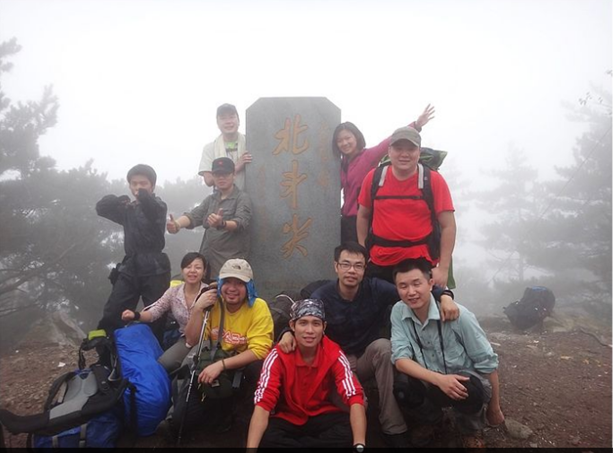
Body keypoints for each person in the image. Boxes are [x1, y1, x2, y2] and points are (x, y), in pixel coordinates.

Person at [278, 242, 458, 448]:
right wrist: (286, 333)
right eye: (346, 264)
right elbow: (304, 320)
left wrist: (446, 297)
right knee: (358, 405)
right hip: (336, 364)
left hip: (366, 357)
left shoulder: (375, 288)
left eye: (358, 265)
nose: (351, 271)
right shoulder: (322, 296)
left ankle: (393, 427)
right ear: (336, 267)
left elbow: (412, 292)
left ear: (365, 268)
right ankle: (356, 435)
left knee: (384, 347)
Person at [390, 258, 504, 448]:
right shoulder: (398, 311)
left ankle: (470, 429)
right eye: (403, 286)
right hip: (431, 379)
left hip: (463, 380)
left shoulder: (460, 315)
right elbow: (400, 359)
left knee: (468, 389)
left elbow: (487, 362)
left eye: (416, 284)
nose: (411, 292)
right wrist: (438, 379)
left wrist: (495, 407)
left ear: (430, 284)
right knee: (402, 387)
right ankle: (433, 420)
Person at [247, 299, 367, 450]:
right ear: (292, 326)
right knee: (265, 435)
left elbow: (354, 395)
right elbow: (264, 402)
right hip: (287, 417)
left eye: (316, 323)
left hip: (321, 414)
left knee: (349, 429)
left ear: (324, 327)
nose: (309, 330)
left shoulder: (334, 353)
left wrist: (359, 445)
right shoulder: (277, 356)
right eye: (303, 323)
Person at [356, 126, 456, 288]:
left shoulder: (433, 180)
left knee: (421, 305)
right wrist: (362, 252)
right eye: (398, 149)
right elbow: (363, 215)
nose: (404, 154)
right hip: (379, 262)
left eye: (411, 149)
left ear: (419, 152)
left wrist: (443, 269)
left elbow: (448, 225)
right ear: (389, 151)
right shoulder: (374, 178)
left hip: (420, 264)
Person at [184, 258, 274, 428]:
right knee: (185, 420)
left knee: (259, 368)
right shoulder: (212, 304)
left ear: (249, 287)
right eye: (227, 282)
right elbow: (192, 340)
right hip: (214, 360)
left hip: (241, 366)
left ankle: (245, 418)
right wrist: (197, 309)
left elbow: (260, 351)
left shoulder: (258, 307)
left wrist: (221, 365)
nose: (232, 288)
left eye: (239, 283)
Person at [333, 105, 435, 244]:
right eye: (339, 140)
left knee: (360, 255)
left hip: (363, 219)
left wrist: (416, 125)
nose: (344, 143)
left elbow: (388, 142)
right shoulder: (341, 164)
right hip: (345, 220)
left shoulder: (367, 157)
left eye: (347, 138)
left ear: (356, 137)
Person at [96, 164, 170, 341]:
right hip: (130, 264)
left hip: (155, 265)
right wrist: (118, 201)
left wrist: (142, 195)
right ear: (129, 185)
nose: (138, 187)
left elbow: (150, 208)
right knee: (114, 310)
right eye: (134, 184)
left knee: (156, 314)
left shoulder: (159, 206)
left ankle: (158, 353)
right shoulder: (128, 209)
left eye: (143, 183)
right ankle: (106, 351)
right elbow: (101, 208)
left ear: (152, 186)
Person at [120, 252, 217, 373]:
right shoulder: (173, 292)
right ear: (182, 270)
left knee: (188, 366)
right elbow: (156, 311)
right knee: (164, 364)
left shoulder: (210, 293)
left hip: (207, 339)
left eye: (198, 267)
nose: (192, 271)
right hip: (185, 339)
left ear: (204, 272)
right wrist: (135, 315)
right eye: (188, 267)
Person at [167, 157, 252, 280]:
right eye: (217, 174)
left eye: (225, 174)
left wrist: (222, 223)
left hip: (230, 267)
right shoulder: (211, 200)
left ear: (234, 175)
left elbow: (241, 222)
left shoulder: (242, 198)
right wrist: (177, 224)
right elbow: (194, 215)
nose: (221, 178)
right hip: (207, 263)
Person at [198, 103, 251, 191]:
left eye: (232, 117)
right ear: (217, 123)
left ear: (239, 121)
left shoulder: (250, 143)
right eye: (223, 118)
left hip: (251, 196)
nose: (228, 122)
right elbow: (208, 180)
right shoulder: (210, 148)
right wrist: (236, 167)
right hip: (221, 198)